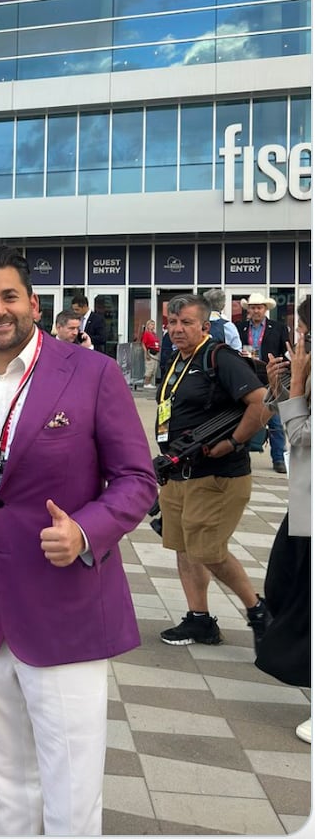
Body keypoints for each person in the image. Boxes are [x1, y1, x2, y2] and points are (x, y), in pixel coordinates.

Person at [0, 245, 156, 837]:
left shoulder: (91, 373)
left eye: (9, 296)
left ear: (34, 302)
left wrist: (86, 529)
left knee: (70, 781)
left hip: (65, 605)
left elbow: (139, 479)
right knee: (6, 775)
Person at [155, 293, 272, 648]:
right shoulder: (177, 360)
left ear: (205, 326)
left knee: (207, 549)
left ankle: (257, 609)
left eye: (186, 323)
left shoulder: (220, 357)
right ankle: (199, 619)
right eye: (172, 323)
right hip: (181, 471)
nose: (177, 329)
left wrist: (235, 442)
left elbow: (262, 403)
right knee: (184, 547)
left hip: (218, 476)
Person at [257, 295, 311, 743]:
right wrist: (282, 389)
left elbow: (302, 435)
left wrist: (294, 389)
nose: (296, 340)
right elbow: (290, 423)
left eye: (302, 332)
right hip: (304, 500)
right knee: (283, 585)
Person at [237, 291, 291, 474]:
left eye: (259, 308)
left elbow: (287, 352)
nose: (256, 311)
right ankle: (242, 457)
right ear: (249, 310)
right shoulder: (240, 327)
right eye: (253, 308)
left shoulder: (278, 328)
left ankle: (278, 458)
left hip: (271, 378)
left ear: (265, 309)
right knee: (243, 419)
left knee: (274, 420)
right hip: (247, 377)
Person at [141, 318, 160, 386]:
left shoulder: (154, 334)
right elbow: (143, 343)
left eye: (154, 325)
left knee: (154, 369)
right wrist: (146, 353)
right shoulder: (146, 334)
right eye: (151, 324)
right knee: (149, 368)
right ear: (148, 325)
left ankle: (150, 383)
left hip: (155, 352)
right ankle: (146, 383)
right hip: (150, 352)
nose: (153, 326)